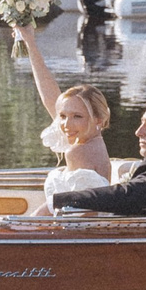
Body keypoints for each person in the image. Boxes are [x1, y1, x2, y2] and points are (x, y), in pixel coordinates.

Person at [12, 21, 111, 207]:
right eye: (63, 116)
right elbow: (50, 96)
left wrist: (27, 220)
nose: (65, 124)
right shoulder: (90, 141)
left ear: (98, 119)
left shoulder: (78, 151)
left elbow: (72, 210)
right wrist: (29, 42)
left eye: (77, 116)